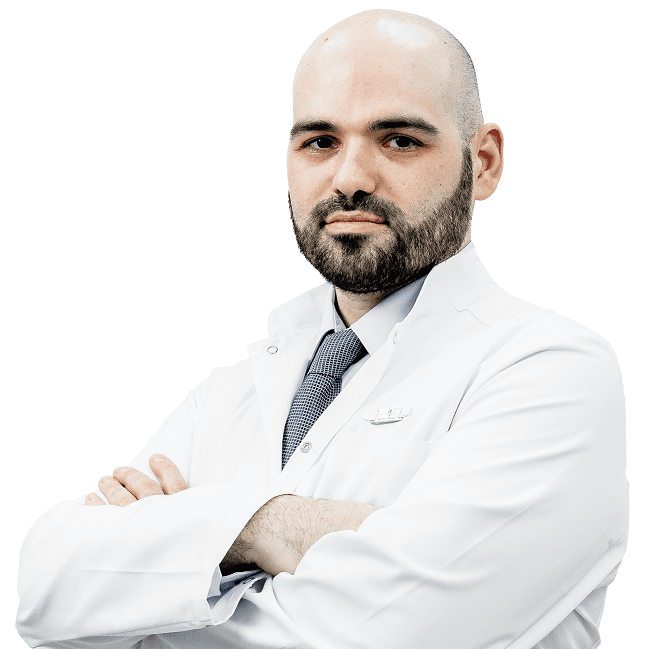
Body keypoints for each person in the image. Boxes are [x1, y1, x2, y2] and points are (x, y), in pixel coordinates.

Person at [16, 9, 628, 649]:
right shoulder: (225, 397)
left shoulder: (552, 374)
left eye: (399, 140)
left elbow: (387, 637)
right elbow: (44, 590)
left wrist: (166, 575)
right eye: (319, 141)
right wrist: (265, 526)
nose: (350, 179)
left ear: (484, 162)